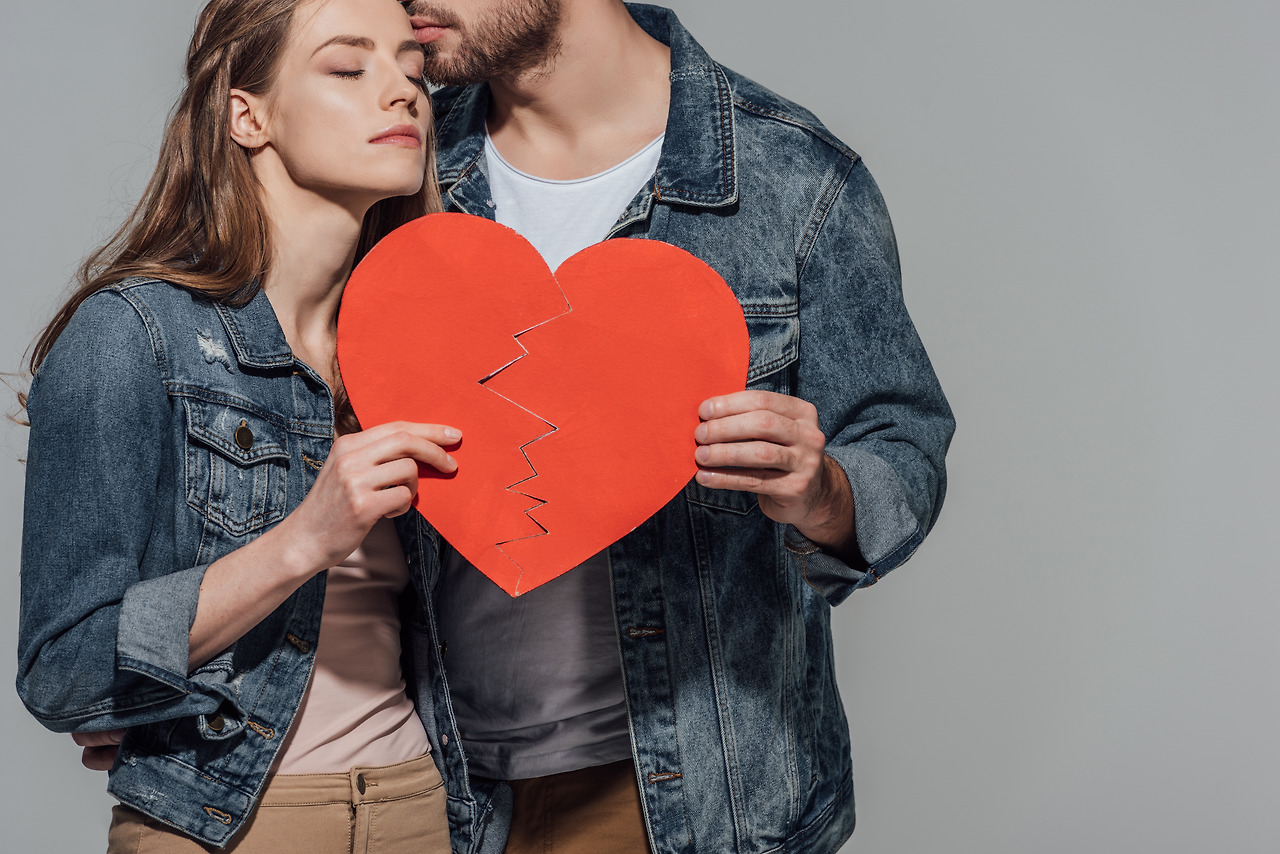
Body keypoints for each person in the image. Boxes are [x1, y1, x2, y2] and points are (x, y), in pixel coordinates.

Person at [398, 2, 957, 853]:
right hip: (421, 788)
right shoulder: (394, 165)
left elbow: (900, 445)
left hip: (684, 799)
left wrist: (822, 490)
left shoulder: (796, 180)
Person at [16, 0, 459, 851]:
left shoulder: (426, 353)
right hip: (229, 823)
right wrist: (304, 540)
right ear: (245, 115)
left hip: (426, 809)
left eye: (413, 68)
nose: (402, 92)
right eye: (348, 66)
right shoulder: (133, 334)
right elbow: (63, 669)